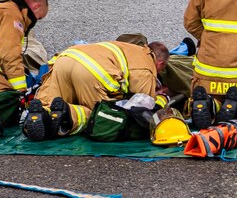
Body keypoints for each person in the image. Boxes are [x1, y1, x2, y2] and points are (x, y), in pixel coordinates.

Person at [23, 40, 169, 140]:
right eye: (161, 69)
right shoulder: (147, 65)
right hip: (91, 71)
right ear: (160, 63)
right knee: (101, 116)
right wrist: (161, 98)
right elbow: (142, 107)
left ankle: (42, 116)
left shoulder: (128, 47)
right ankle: (67, 114)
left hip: (66, 59)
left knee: (48, 101)